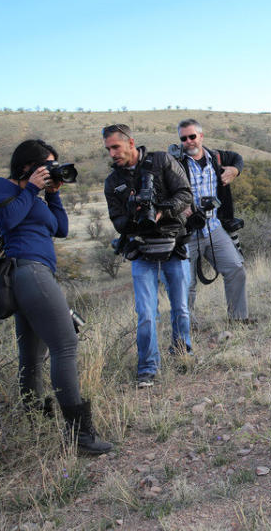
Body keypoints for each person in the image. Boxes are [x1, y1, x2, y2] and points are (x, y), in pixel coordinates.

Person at [0, 139, 112, 455]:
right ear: (28, 165)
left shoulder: (38, 198)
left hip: (35, 274)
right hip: (28, 271)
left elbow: (62, 229)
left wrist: (53, 194)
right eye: (48, 164)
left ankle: (34, 423)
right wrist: (30, 188)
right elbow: (6, 221)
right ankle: (80, 436)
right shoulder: (3, 187)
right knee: (65, 345)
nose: (51, 170)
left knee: (31, 356)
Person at [103, 124, 193, 389]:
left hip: (173, 243)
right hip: (141, 249)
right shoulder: (113, 182)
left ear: (130, 142)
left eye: (116, 147)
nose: (112, 154)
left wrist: (162, 211)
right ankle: (148, 367)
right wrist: (134, 214)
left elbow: (185, 195)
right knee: (145, 312)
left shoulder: (162, 161)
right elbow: (117, 221)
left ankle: (181, 353)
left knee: (181, 307)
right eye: (108, 149)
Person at [172, 118, 253, 324]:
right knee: (186, 284)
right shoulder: (175, 163)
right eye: (184, 138)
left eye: (192, 136)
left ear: (201, 136)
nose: (189, 141)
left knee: (236, 269)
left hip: (214, 228)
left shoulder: (216, 157)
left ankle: (238, 319)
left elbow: (237, 158)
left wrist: (235, 170)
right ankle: (187, 329)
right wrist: (181, 207)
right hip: (186, 233)